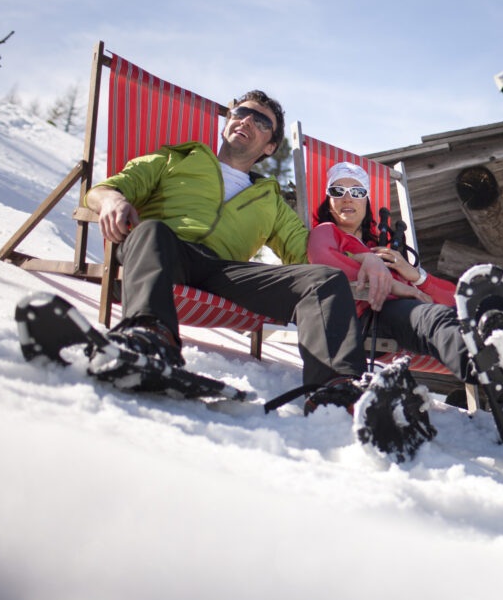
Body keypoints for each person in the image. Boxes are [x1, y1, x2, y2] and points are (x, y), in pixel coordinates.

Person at [84, 91, 393, 401]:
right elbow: (106, 189)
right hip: (160, 252)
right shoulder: (173, 159)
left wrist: (366, 258)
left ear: (270, 146)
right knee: (153, 230)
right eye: (241, 112)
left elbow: (308, 253)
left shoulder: (269, 200)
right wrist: (111, 198)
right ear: (227, 122)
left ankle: (338, 389)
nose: (246, 120)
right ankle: (149, 341)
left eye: (260, 121)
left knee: (324, 280)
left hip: (221, 272)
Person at [307, 161, 503, 471]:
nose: (346, 197)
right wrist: (398, 285)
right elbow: (325, 263)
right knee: (434, 318)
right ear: (328, 200)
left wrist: (416, 275)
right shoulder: (326, 232)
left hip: (415, 306)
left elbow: (458, 299)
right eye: (337, 190)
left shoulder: (386, 249)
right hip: (374, 313)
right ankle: (489, 360)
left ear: (367, 200)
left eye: (356, 191)